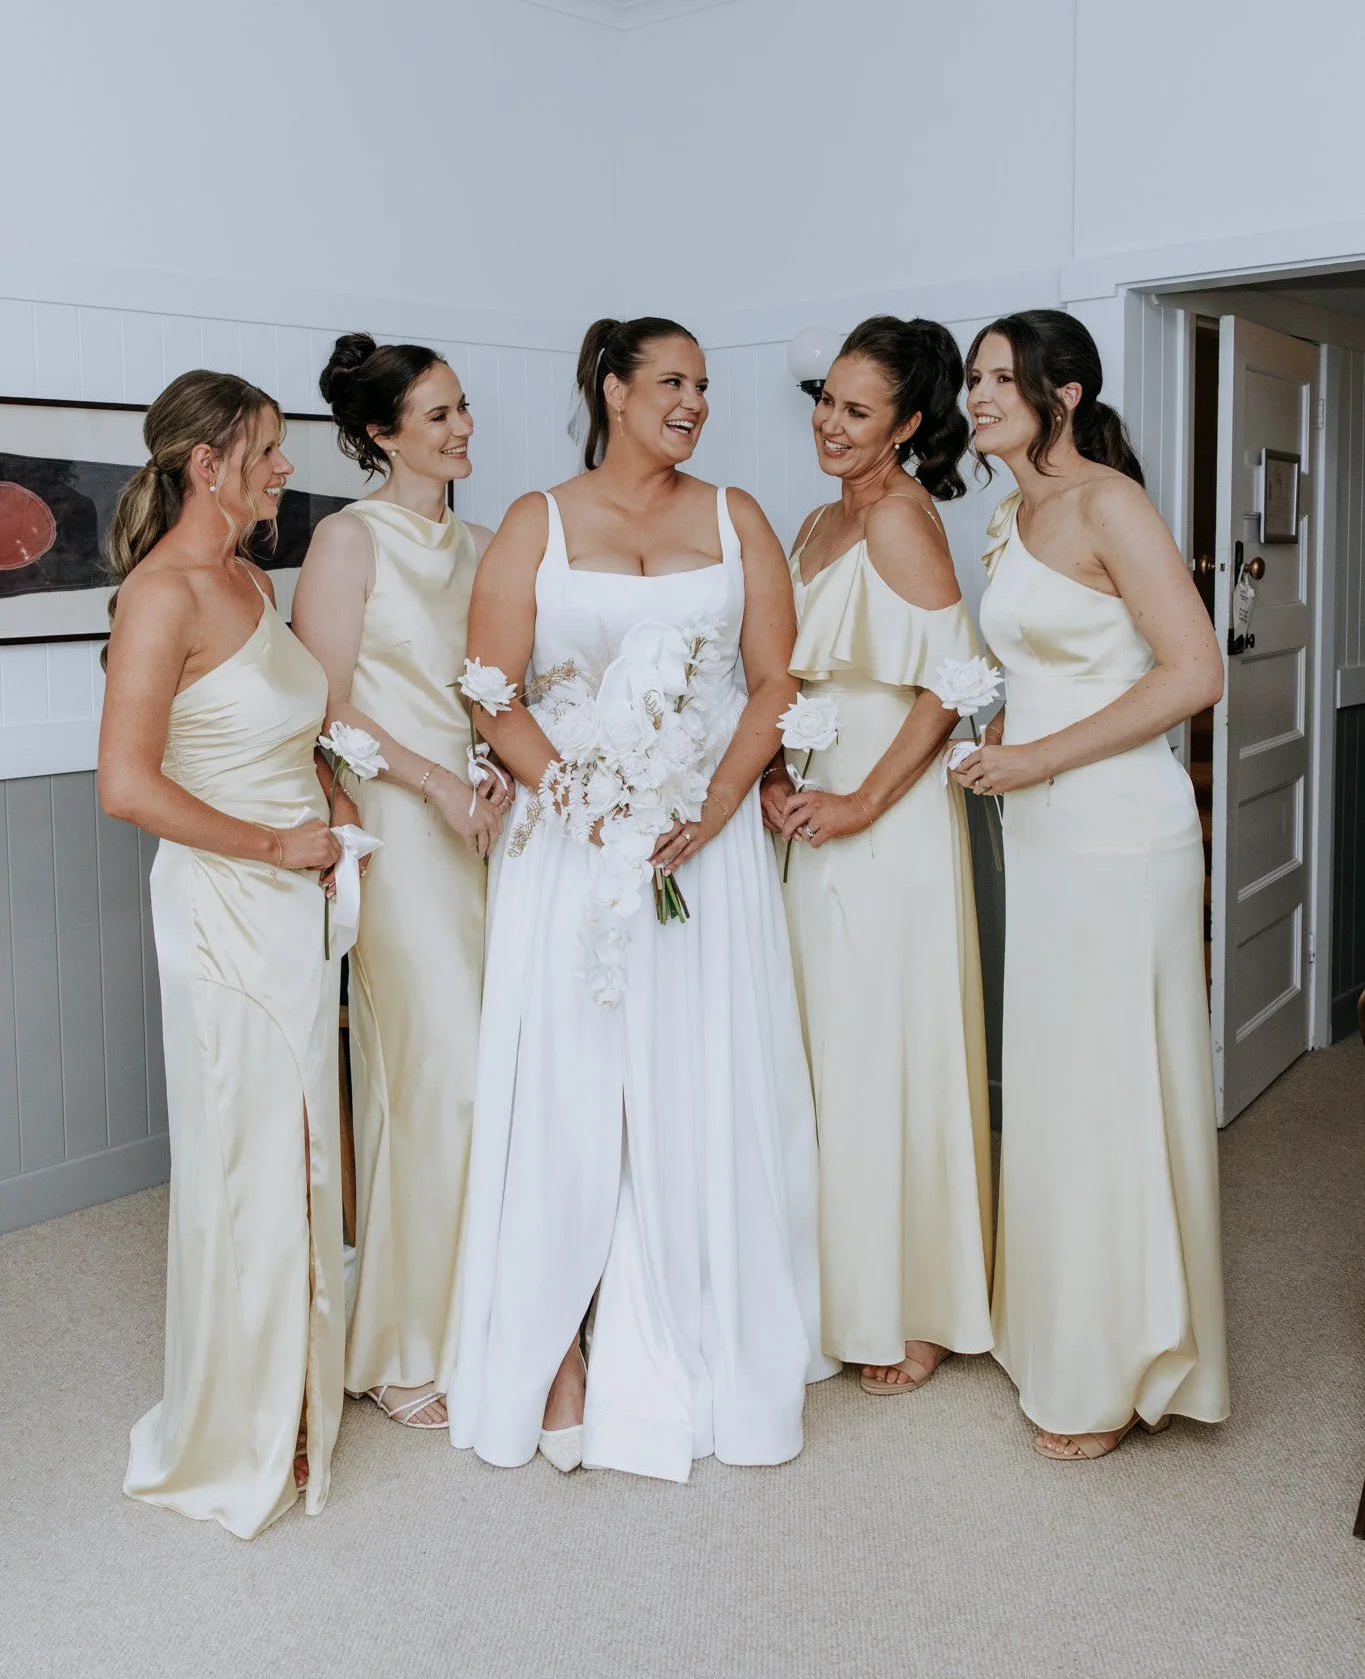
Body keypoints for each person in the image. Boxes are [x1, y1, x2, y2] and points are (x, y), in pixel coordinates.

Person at [449, 316, 835, 1481]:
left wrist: (714, 803)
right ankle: (560, 1336)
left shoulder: (736, 516)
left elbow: (775, 679)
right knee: (572, 1081)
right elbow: (490, 689)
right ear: (613, 390)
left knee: (696, 1071)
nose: (694, 402)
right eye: (672, 380)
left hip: (698, 847)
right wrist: (575, 796)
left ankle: (699, 1318)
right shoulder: (536, 520)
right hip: (573, 844)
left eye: (704, 385)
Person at [953, 309, 1229, 1460]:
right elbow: (1053, 662)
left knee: (1111, 1085)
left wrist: (1038, 757)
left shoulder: (1110, 501)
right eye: (972, 377)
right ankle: (1060, 1334)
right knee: (1058, 1080)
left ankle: (1122, 1363)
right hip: (1044, 830)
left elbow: (1196, 672)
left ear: (1061, 394)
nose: (977, 395)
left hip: (1119, 831)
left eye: (1000, 378)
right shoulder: (1015, 512)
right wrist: (1005, 734)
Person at [98, 370, 345, 1539]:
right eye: (269, 449)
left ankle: (293, 1388)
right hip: (223, 904)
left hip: (295, 904)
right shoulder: (163, 594)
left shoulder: (254, 577)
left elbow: (287, 730)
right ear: (208, 463)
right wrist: (279, 843)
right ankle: (238, 1419)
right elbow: (125, 783)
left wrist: (331, 805)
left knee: (300, 1147)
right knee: (246, 1156)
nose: (286, 467)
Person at [764, 317, 994, 1394]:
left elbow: (956, 685)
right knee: (825, 1048)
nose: (830, 423)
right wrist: (775, 776)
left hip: (885, 818)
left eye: (858, 411)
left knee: (886, 1044)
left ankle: (919, 1303)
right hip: (812, 811)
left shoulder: (902, 519)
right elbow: (785, 675)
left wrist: (860, 800)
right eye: (826, 400)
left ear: (905, 426)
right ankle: (834, 1284)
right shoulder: (818, 518)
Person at [292, 335, 505, 1432]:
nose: (462, 428)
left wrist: (494, 769)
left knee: (496, 1072)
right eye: (437, 415)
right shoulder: (347, 540)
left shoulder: (483, 542)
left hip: (488, 827)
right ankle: (401, 1341)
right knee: (436, 1072)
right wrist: (435, 784)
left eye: (463, 407)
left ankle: (489, 1316)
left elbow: (495, 691)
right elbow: (324, 707)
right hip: (399, 830)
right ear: (380, 433)